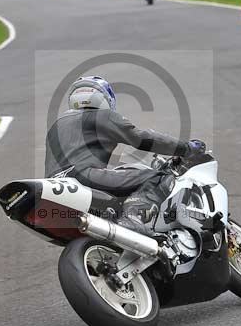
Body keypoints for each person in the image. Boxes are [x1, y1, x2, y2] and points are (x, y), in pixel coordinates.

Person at [44, 76, 206, 235]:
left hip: (55, 184)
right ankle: (132, 217)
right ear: (105, 98)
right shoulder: (103, 116)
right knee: (159, 179)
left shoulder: (56, 127)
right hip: (85, 176)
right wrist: (186, 148)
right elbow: (142, 139)